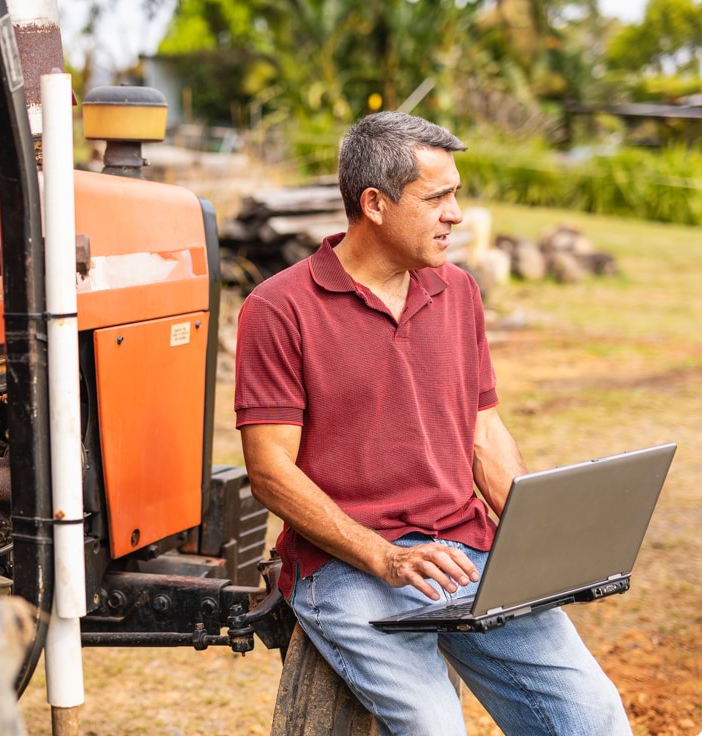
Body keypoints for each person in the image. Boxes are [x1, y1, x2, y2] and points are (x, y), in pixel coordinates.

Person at [235, 111, 629, 735]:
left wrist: (536, 539)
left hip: (466, 551)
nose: (457, 214)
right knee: (435, 729)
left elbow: (483, 431)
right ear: (375, 204)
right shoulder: (279, 307)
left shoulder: (459, 292)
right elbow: (269, 471)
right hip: (347, 567)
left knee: (592, 718)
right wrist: (385, 558)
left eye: (457, 195)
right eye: (438, 197)